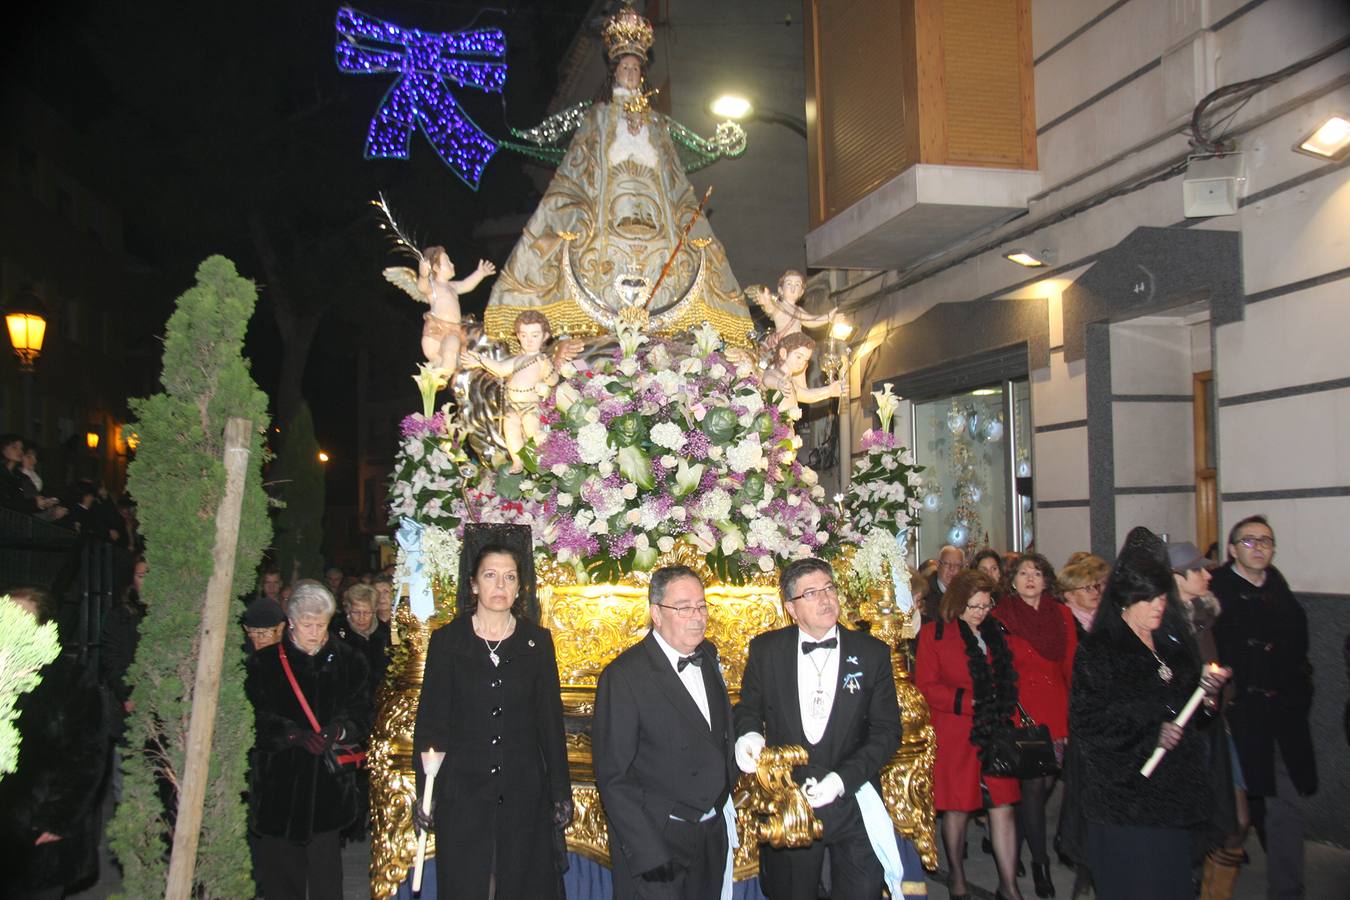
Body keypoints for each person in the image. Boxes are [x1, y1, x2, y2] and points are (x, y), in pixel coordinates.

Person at [483, 5, 754, 345]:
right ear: (615, 73)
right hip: (607, 205)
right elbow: (580, 164)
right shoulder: (599, 117)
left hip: (654, 208)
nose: (630, 73)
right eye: (625, 67)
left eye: (635, 68)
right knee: (579, 238)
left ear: (641, 74)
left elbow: (671, 173)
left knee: (691, 248)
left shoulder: (656, 123)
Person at [1069, 527, 1231, 900]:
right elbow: (1087, 722)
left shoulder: (1175, 648)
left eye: (1162, 596)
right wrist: (1149, 736)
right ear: (1126, 601)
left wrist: (1207, 699)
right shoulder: (1100, 651)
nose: (1159, 605)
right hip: (1125, 801)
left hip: (1174, 797)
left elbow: (1193, 716)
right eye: (1148, 598)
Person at [413, 527, 571, 900]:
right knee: (470, 884)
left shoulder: (537, 642)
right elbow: (432, 723)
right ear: (473, 584)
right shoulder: (447, 642)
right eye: (490, 575)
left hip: (524, 792)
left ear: (519, 588)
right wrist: (425, 792)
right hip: (463, 793)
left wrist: (560, 790)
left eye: (510, 577)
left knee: (521, 884)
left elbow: (549, 722)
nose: (500, 585)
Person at [735, 557, 903, 900]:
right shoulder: (767, 650)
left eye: (829, 589)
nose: (825, 599)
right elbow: (749, 708)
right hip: (791, 802)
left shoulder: (871, 653)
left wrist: (841, 780)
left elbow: (887, 731)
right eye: (811, 593)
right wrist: (749, 734)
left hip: (854, 798)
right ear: (791, 608)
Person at [593, 564, 737, 900]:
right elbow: (614, 776)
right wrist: (647, 852)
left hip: (710, 836)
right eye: (684, 608)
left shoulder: (708, 654)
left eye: (701, 606)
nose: (697, 617)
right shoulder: (624, 676)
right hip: (659, 841)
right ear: (656, 613)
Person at [1211, 515, 1316, 900]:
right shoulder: (1216, 591)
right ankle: (1207, 882)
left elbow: (1299, 652)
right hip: (1234, 718)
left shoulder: (1279, 590)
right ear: (1232, 549)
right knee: (1232, 809)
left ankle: (1288, 889)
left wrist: (1298, 693)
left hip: (1281, 716)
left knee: (1284, 804)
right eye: (1249, 541)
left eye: (1266, 541)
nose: (1258, 547)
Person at [245, 580, 371, 900]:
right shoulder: (265, 663)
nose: (315, 632)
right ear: (290, 622)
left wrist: (337, 731)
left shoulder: (350, 661)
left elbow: (362, 712)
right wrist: (292, 734)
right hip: (280, 785)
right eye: (307, 624)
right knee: (281, 878)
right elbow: (254, 718)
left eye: (321, 624)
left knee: (326, 877)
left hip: (327, 788)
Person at [915, 570, 1024, 900]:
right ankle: (957, 876)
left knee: (1003, 807)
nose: (980, 612)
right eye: (973, 606)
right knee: (958, 809)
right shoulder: (934, 634)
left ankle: (1009, 886)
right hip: (957, 733)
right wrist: (967, 701)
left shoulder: (997, 633)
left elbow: (1011, 679)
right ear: (958, 603)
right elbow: (926, 686)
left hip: (996, 732)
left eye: (986, 605)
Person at [0, 587, 107, 900]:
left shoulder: (70, 680)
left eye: (22, 618)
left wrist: (58, 820)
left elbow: (88, 757)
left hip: (35, 836)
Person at [1169, 540, 1247, 900]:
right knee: (1199, 823)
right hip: (1186, 735)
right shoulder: (1162, 622)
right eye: (1198, 570)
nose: (1207, 575)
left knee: (1236, 821)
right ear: (1176, 578)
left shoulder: (1205, 616)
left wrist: (1220, 686)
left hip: (1216, 728)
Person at [994, 553, 1075, 898]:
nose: (1030, 579)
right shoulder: (1002, 616)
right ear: (1012, 580)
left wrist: (1074, 716)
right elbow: (997, 668)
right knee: (1032, 789)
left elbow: (1070, 665)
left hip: (1057, 712)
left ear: (1046, 580)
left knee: (1044, 788)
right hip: (1022, 715)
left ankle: (1018, 844)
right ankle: (1041, 864)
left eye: (1037, 573)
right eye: (1023, 573)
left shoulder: (1062, 614)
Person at [462, 310, 583, 473]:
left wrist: (547, 369)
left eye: (535, 335)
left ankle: (546, 454)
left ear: (545, 336)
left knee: (532, 428)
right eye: (524, 335)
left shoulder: (541, 359)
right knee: (510, 428)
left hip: (531, 406)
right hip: (513, 406)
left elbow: (553, 381)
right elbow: (500, 368)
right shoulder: (517, 359)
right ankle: (517, 461)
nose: (529, 340)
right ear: (518, 336)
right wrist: (479, 360)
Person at [752, 270, 836, 350]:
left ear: (801, 292)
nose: (793, 288)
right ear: (780, 290)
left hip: (798, 343)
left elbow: (810, 320)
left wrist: (828, 317)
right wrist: (766, 301)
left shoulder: (798, 310)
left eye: (797, 285)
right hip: (784, 345)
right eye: (789, 284)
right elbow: (771, 308)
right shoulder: (780, 306)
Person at [761, 333, 843, 414]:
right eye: (798, 357)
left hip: (787, 421)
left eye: (805, 360)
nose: (801, 363)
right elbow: (767, 379)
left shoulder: (792, 382)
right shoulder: (775, 373)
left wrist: (829, 391)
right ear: (783, 353)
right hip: (774, 420)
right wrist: (778, 383)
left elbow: (806, 395)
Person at [333, 583, 391, 689]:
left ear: (374, 610)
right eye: (356, 612)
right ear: (348, 609)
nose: (362, 618)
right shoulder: (336, 631)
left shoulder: (384, 632)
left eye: (367, 612)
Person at [1057, 555, 1109, 637]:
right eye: (1087, 588)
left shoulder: (1106, 614)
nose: (1096, 592)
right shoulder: (1062, 622)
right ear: (1070, 596)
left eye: (1096, 586)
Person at [926, 545, 965, 619]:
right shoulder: (926, 592)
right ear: (938, 565)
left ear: (962, 568)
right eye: (947, 563)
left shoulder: (967, 592)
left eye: (957, 565)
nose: (952, 568)